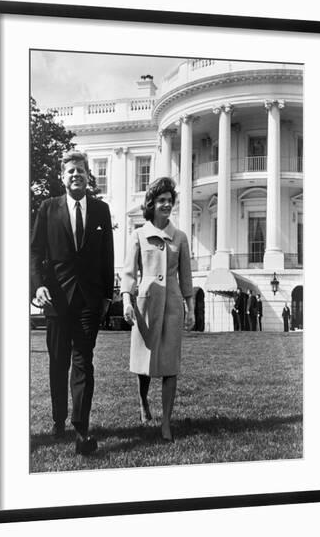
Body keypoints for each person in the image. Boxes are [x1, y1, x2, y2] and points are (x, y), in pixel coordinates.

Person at [31, 150, 114, 455]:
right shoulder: (47, 209)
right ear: (61, 177)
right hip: (56, 300)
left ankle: (81, 429)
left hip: (89, 301)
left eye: (80, 170)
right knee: (58, 362)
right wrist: (37, 287)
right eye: (70, 171)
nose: (76, 175)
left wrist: (107, 294)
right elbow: (34, 252)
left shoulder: (101, 210)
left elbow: (107, 255)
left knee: (83, 362)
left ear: (87, 176)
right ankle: (58, 420)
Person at [121, 177, 194, 442]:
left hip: (173, 305)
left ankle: (166, 422)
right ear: (151, 204)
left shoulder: (181, 238)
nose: (166, 205)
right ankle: (143, 403)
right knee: (144, 364)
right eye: (161, 200)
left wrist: (191, 307)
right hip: (146, 306)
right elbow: (129, 273)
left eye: (169, 201)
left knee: (170, 366)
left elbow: (187, 278)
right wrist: (127, 301)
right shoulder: (138, 235)